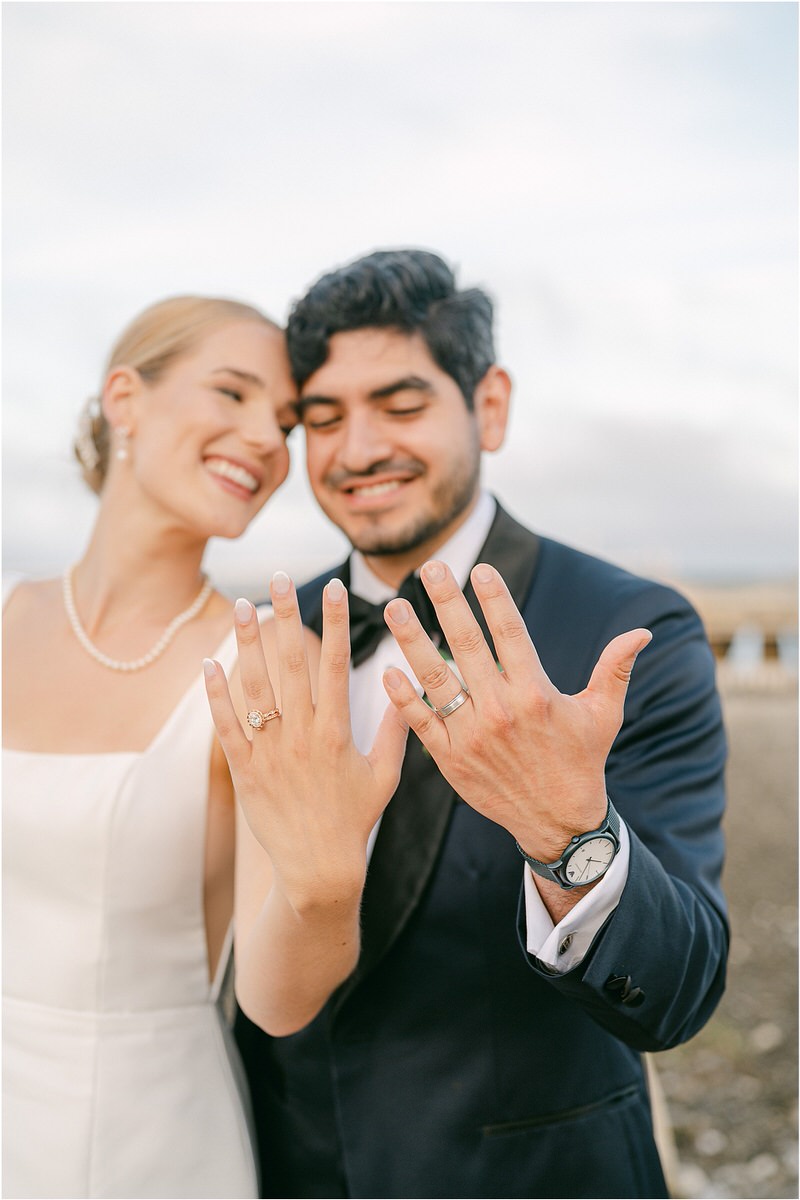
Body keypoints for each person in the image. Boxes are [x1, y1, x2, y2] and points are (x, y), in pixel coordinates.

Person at [231, 250, 729, 1199]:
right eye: (324, 419)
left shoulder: (633, 629)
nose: (356, 449)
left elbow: (679, 991)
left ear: (488, 405)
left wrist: (566, 834)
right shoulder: (274, 644)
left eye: (402, 405)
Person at [2, 295, 406, 1199]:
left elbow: (276, 999)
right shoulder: (5, 615)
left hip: (144, 1139)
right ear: (124, 399)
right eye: (232, 394)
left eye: (287, 421)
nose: (267, 440)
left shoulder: (268, 662)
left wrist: (324, 890)